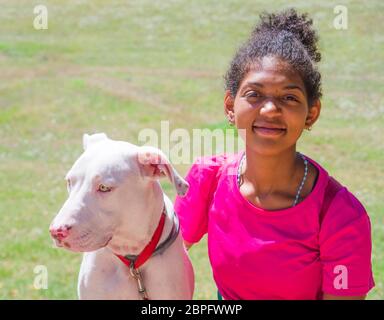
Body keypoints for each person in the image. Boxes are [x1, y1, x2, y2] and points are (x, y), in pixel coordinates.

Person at [174, 8, 375, 300]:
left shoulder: (341, 216)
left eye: (289, 97)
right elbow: (159, 256)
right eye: (254, 94)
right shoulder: (208, 179)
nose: (269, 109)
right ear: (230, 106)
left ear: (312, 113)